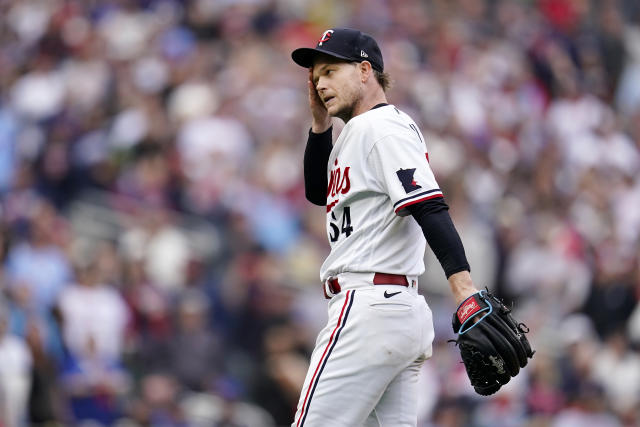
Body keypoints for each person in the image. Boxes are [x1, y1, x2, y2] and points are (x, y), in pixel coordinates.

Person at [290, 28, 480, 426]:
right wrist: (319, 123)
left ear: (364, 71)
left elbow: (428, 204)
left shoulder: (380, 127)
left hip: (367, 308)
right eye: (315, 75)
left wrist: (463, 288)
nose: (319, 82)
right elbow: (317, 192)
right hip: (394, 309)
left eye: (329, 70)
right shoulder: (357, 132)